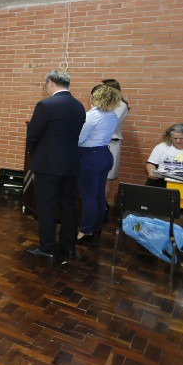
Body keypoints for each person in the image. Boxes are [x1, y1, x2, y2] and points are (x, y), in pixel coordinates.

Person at [25, 70, 86, 260]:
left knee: (46, 206)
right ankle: (68, 246)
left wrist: (35, 155)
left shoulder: (45, 105)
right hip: (70, 163)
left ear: (50, 83)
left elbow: (33, 135)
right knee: (68, 205)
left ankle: (48, 247)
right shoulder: (79, 106)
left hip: (48, 164)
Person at [76, 85, 121, 243]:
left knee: (88, 197)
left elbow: (79, 139)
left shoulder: (92, 116)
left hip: (90, 157)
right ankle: (96, 227)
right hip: (104, 155)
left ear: (94, 98)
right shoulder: (112, 115)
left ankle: (86, 231)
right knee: (98, 195)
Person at [100, 79, 129, 201]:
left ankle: (102, 206)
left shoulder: (121, 105)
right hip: (97, 143)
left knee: (107, 177)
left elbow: (110, 123)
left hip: (111, 143)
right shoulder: (101, 104)